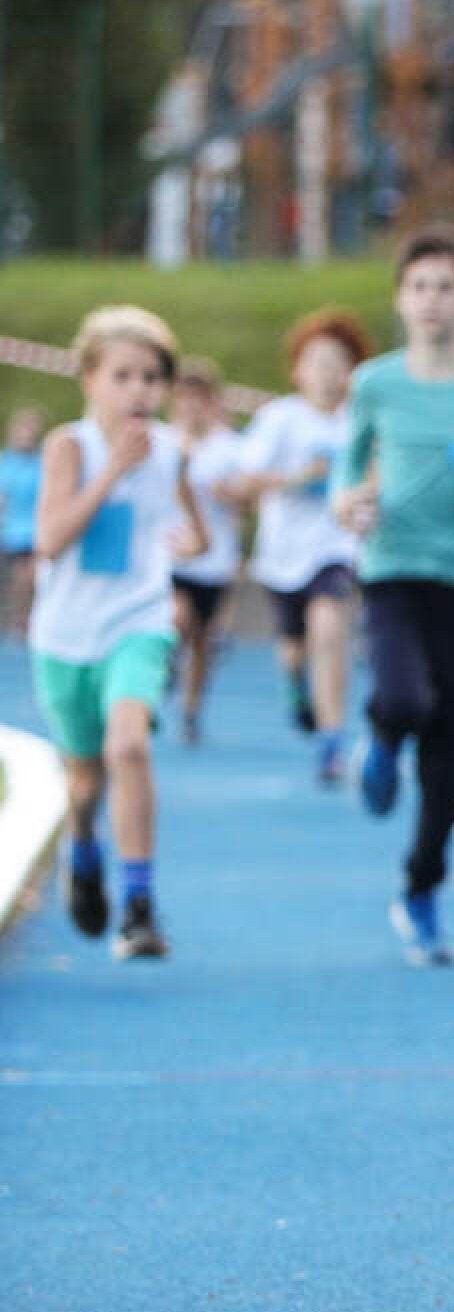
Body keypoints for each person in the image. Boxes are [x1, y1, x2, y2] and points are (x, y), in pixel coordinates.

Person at [333, 227, 454, 966]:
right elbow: (346, 473)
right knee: (403, 698)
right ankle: (382, 739)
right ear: (401, 299)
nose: (432, 301)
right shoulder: (375, 383)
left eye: (447, 287)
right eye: (419, 286)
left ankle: (420, 886)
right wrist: (348, 503)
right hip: (393, 570)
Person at [29, 306, 208, 958]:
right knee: (84, 784)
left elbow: (198, 530)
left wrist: (194, 542)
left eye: (152, 378)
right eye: (123, 376)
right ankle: (83, 844)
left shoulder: (172, 451)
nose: (139, 391)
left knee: (129, 746)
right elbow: (50, 540)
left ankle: (139, 906)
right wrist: (112, 472)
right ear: (90, 380)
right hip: (66, 638)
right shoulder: (70, 446)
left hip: (139, 624)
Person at [236, 309, 371, 786]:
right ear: (298, 371)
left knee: (330, 631)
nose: (328, 374)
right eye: (318, 363)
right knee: (293, 649)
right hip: (282, 555)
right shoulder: (279, 419)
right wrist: (302, 476)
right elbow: (247, 481)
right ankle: (296, 685)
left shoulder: (360, 422)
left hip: (336, 548)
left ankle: (333, 740)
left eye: (338, 363)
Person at [166, 358, 244, 746]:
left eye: (200, 399)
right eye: (185, 398)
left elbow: (246, 501)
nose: (192, 407)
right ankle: (163, 670)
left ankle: (192, 708)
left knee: (202, 641)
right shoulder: (163, 441)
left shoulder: (229, 447)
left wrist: (231, 494)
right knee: (176, 617)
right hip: (172, 554)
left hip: (214, 561)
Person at [1, 406, 46, 636]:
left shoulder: (43, 462)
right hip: (11, 534)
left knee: (30, 576)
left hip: (37, 534)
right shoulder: (6, 463)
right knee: (20, 578)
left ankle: (26, 620)